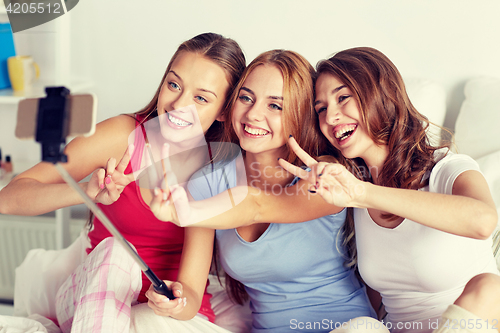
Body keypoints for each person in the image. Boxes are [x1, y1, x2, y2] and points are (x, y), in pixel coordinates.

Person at [0, 32, 245, 333]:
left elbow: (191, 293)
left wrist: (175, 302)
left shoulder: (215, 170)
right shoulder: (122, 137)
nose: (179, 104)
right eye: (174, 84)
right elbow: (9, 197)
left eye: (201, 98)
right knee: (118, 253)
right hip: (92, 298)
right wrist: (86, 194)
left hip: (159, 313)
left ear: (222, 111)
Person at [150, 49, 376, 333]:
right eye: (246, 98)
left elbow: (257, 205)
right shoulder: (206, 183)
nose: (253, 114)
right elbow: (191, 293)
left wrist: (187, 211)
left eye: (275, 106)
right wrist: (175, 302)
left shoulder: (323, 173)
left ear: (301, 114)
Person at [277, 47, 500, 333]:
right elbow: (379, 300)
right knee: (362, 327)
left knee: (490, 287)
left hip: (471, 323)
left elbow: (483, 221)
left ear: (381, 95)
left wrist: (362, 193)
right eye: (321, 109)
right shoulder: (347, 190)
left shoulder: (447, 169)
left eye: (343, 97)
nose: (330, 116)